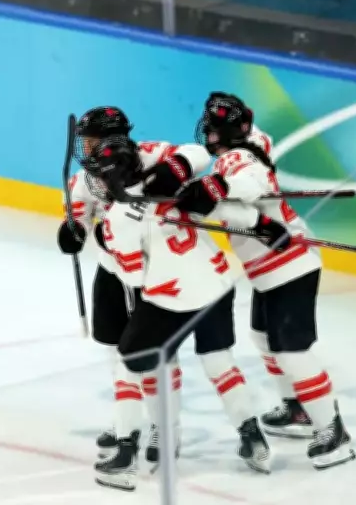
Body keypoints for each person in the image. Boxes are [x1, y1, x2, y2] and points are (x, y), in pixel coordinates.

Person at [76, 133, 271, 491]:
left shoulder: (117, 218)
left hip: (172, 300)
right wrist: (262, 225)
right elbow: (227, 209)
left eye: (102, 175)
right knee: (219, 362)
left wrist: (112, 242)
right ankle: (254, 439)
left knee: (129, 364)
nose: (98, 183)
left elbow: (133, 276)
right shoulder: (174, 183)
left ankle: (124, 455)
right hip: (216, 285)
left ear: (114, 177)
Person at [175, 91, 356, 470]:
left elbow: (251, 180)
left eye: (214, 131)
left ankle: (333, 431)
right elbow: (248, 171)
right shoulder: (251, 139)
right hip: (267, 271)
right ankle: (297, 410)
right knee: (263, 338)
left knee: (292, 351)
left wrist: (217, 191)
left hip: (289, 266)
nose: (208, 137)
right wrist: (238, 209)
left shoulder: (240, 159)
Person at [57, 106, 212, 464]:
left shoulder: (152, 155)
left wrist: (176, 170)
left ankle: (164, 425)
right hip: (114, 271)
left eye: (91, 139)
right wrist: (73, 231)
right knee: (117, 351)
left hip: (155, 275)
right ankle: (127, 420)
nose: (86, 146)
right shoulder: (88, 177)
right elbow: (78, 212)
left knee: (158, 354)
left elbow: (198, 152)